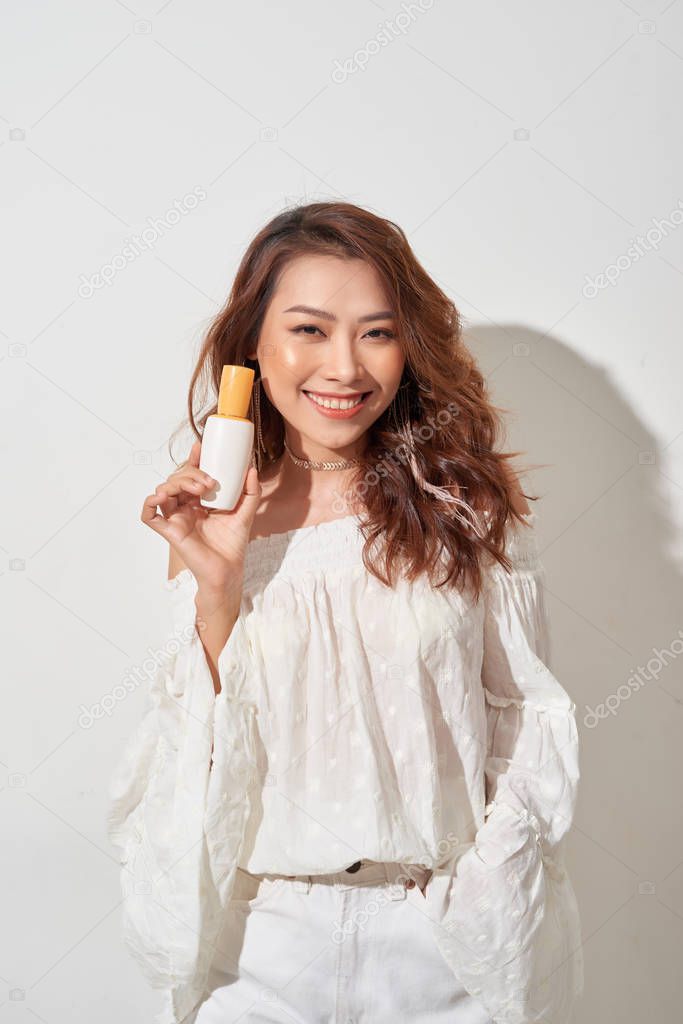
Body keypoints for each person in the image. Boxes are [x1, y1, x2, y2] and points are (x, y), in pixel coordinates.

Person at [106, 201, 583, 1024]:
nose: (344, 367)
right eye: (309, 329)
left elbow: (527, 719)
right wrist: (217, 593)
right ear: (253, 343)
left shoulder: (465, 508)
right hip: (261, 949)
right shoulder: (214, 513)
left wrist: (476, 898)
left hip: (435, 947)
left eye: (376, 332)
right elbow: (198, 762)